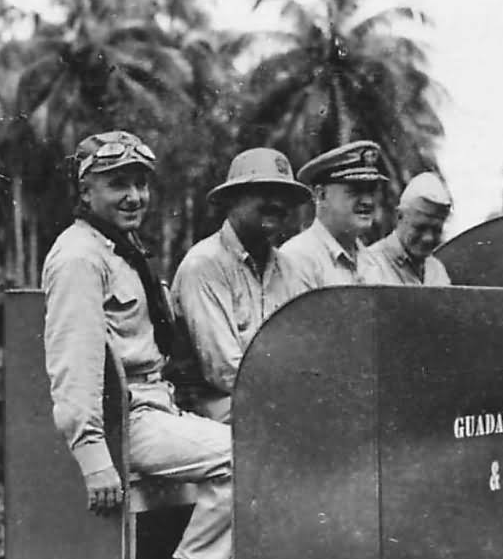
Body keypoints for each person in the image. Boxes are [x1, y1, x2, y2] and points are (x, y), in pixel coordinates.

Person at [41, 130, 232, 559]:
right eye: (117, 184)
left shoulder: (120, 249)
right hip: (129, 418)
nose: (134, 197)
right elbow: (73, 361)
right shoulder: (79, 257)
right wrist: (93, 456)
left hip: (157, 404)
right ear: (85, 191)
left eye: (141, 184)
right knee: (247, 457)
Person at [171, 149, 312, 423]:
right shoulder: (204, 265)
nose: (277, 203)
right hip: (212, 406)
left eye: (284, 196)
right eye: (265, 193)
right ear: (232, 200)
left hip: (273, 399)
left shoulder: (290, 269)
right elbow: (223, 371)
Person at [280, 140, 387, 290]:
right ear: (321, 195)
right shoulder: (297, 259)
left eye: (371, 190)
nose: (368, 201)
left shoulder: (374, 262)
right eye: (355, 190)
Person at [361, 172, 454, 286]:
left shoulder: (436, 270)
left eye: (436, 230)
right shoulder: (369, 264)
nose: (428, 238)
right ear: (399, 217)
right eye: (420, 227)